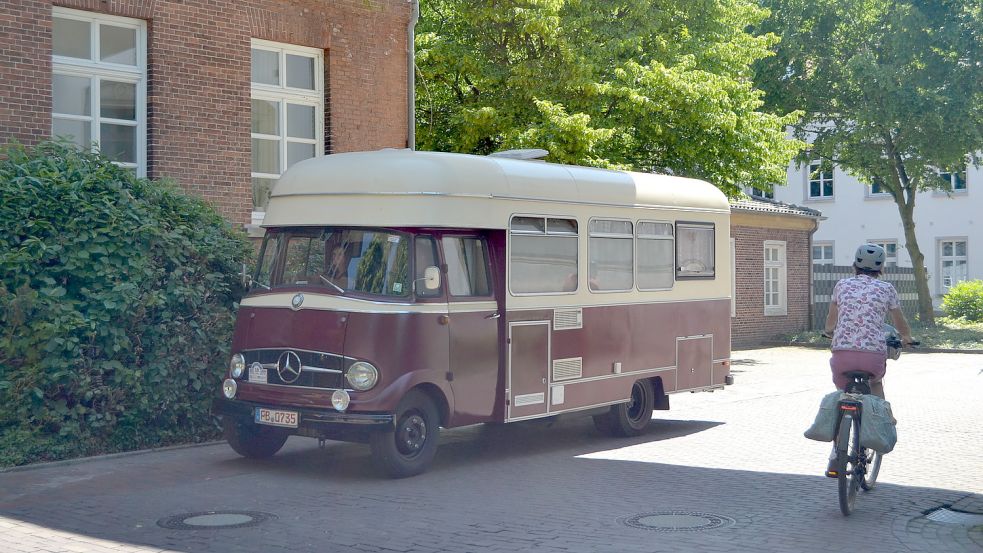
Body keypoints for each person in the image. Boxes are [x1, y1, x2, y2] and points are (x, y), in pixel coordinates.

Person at [823, 243, 914, 476]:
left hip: (842, 355)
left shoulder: (841, 286)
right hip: (873, 356)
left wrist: (830, 332)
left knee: (842, 392)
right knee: (875, 384)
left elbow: (830, 323)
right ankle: (884, 417)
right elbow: (899, 319)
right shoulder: (887, 289)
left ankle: (836, 454)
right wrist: (906, 338)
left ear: (854, 264)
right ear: (881, 267)